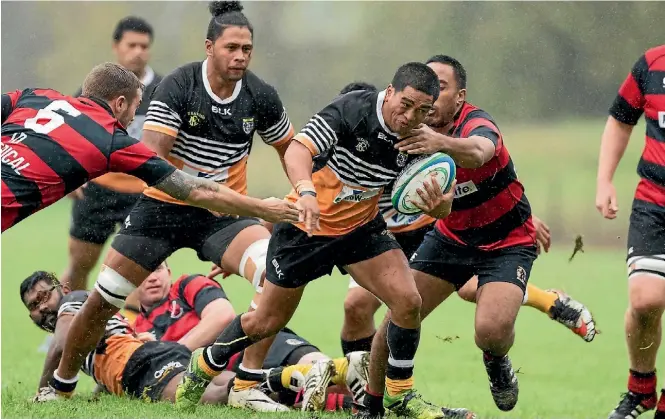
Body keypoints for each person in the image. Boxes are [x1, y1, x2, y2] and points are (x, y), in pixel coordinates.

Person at [37, 1, 303, 407]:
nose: (240, 57)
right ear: (209, 46)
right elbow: (156, 165)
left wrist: (302, 191)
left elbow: (293, 149)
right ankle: (61, 385)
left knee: (277, 276)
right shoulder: (178, 86)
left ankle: (247, 385)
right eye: (231, 48)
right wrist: (257, 207)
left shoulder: (260, 95)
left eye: (246, 49)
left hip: (222, 217)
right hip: (162, 208)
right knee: (103, 298)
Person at [175, 62, 461, 419]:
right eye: (405, 104)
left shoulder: (419, 137)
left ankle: (398, 395)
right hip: (305, 229)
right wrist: (305, 191)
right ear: (390, 91)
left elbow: (438, 198)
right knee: (265, 322)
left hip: (360, 230)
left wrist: (440, 206)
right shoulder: (353, 110)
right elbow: (297, 150)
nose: (409, 116)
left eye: (421, 111)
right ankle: (205, 364)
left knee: (407, 302)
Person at [337, 82, 596, 358]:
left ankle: (550, 303)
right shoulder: (342, 155)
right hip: (380, 237)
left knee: (474, 289)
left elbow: (468, 179)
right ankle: (361, 381)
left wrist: (525, 214)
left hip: (423, 230)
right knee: (356, 305)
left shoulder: (402, 137)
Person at [360, 55, 546, 417]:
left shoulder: (475, 122)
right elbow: (424, 203)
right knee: (399, 313)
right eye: (427, 86)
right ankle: (372, 405)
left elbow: (480, 152)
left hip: (509, 241)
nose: (431, 94)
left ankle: (496, 361)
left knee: (491, 330)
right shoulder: (410, 136)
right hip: (451, 238)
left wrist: (439, 144)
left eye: (440, 87)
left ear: (459, 97)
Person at [1, 62, 296, 233]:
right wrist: (262, 208)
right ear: (119, 103)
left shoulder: (35, 96)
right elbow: (196, 190)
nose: (133, 118)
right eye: (136, 108)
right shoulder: (112, 142)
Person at [21, 270, 372, 413]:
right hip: (185, 362)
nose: (42, 307)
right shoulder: (137, 322)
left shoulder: (187, 285)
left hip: (243, 344)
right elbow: (107, 359)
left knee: (209, 396)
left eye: (43, 297)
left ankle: (352, 379)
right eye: (34, 306)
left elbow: (221, 318)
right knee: (305, 395)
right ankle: (362, 398)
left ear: (169, 270)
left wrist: (50, 392)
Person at [63, 17, 163, 305]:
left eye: (144, 46)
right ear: (116, 47)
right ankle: (66, 319)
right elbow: (67, 135)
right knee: (81, 263)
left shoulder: (165, 91)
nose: (138, 52)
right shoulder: (95, 90)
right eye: (131, 45)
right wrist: (67, 176)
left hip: (142, 193)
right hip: (98, 189)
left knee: (142, 271)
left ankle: (137, 334)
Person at [596, 44, 665, 419]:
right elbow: (621, 118)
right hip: (654, 201)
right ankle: (641, 389)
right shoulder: (653, 64)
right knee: (645, 300)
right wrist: (604, 181)